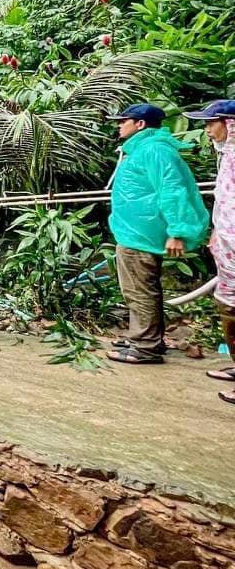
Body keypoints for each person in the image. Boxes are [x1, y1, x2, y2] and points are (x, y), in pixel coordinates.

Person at [106, 104, 209, 365]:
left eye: (124, 120)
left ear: (140, 124)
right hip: (135, 232)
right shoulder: (144, 148)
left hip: (141, 234)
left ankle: (145, 347)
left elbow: (172, 190)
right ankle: (147, 338)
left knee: (139, 290)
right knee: (138, 288)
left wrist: (178, 231)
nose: (119, 125)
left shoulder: (154, 150)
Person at [185, 100, 235, 402]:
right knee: (228, 306)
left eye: (211, 122)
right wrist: (218, 233)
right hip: (228, 249)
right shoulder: (227, 156)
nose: (206, 129)